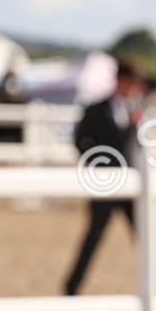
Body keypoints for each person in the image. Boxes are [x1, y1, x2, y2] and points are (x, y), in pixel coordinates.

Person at [62, 59, 144, 295]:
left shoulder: (134, 110)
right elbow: (80, 141)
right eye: (132, 83)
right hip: (105, 183)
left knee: (143, 235)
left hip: (130, 183)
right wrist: (97, 163)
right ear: (120, 81)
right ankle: (72, 286)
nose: (135, 88)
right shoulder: (96, 109)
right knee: (93, 236)